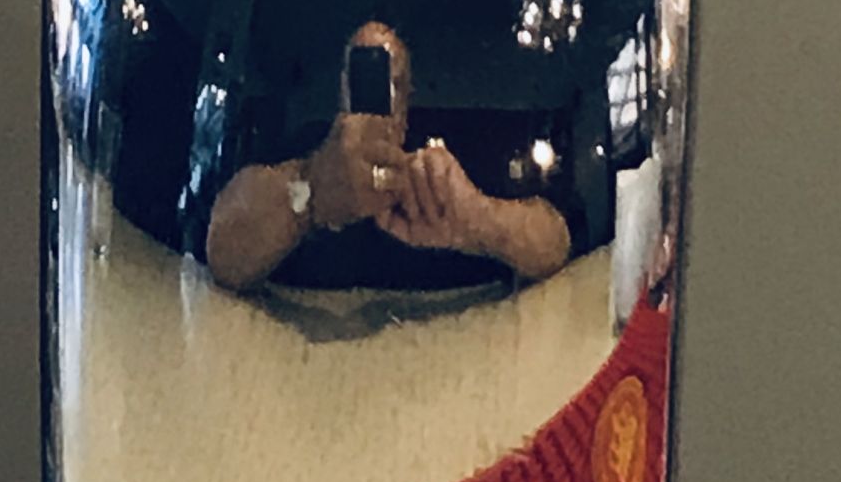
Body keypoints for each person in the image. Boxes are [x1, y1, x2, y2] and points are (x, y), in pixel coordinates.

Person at [205, 20, 570, 296]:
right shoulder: (313, 148)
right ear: (343, 85)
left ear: (408, 92)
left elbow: (554, 243)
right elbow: (222, 252)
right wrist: (309, 191)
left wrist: (477, 219)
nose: (379, 98)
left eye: (391, 81)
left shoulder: (447, 156)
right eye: (364, 76)